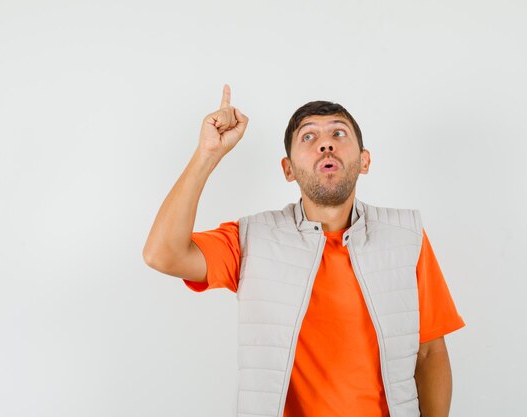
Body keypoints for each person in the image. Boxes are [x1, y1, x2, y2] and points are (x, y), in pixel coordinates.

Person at [143, 85, 465, 417]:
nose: (326, 144)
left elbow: (429, 354)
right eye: (308, 138)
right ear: (288, 169)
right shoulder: (252, 239)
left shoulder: (405, 236)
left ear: (364, 160)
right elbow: (162, 254)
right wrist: (207, 154)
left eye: (338, 133)